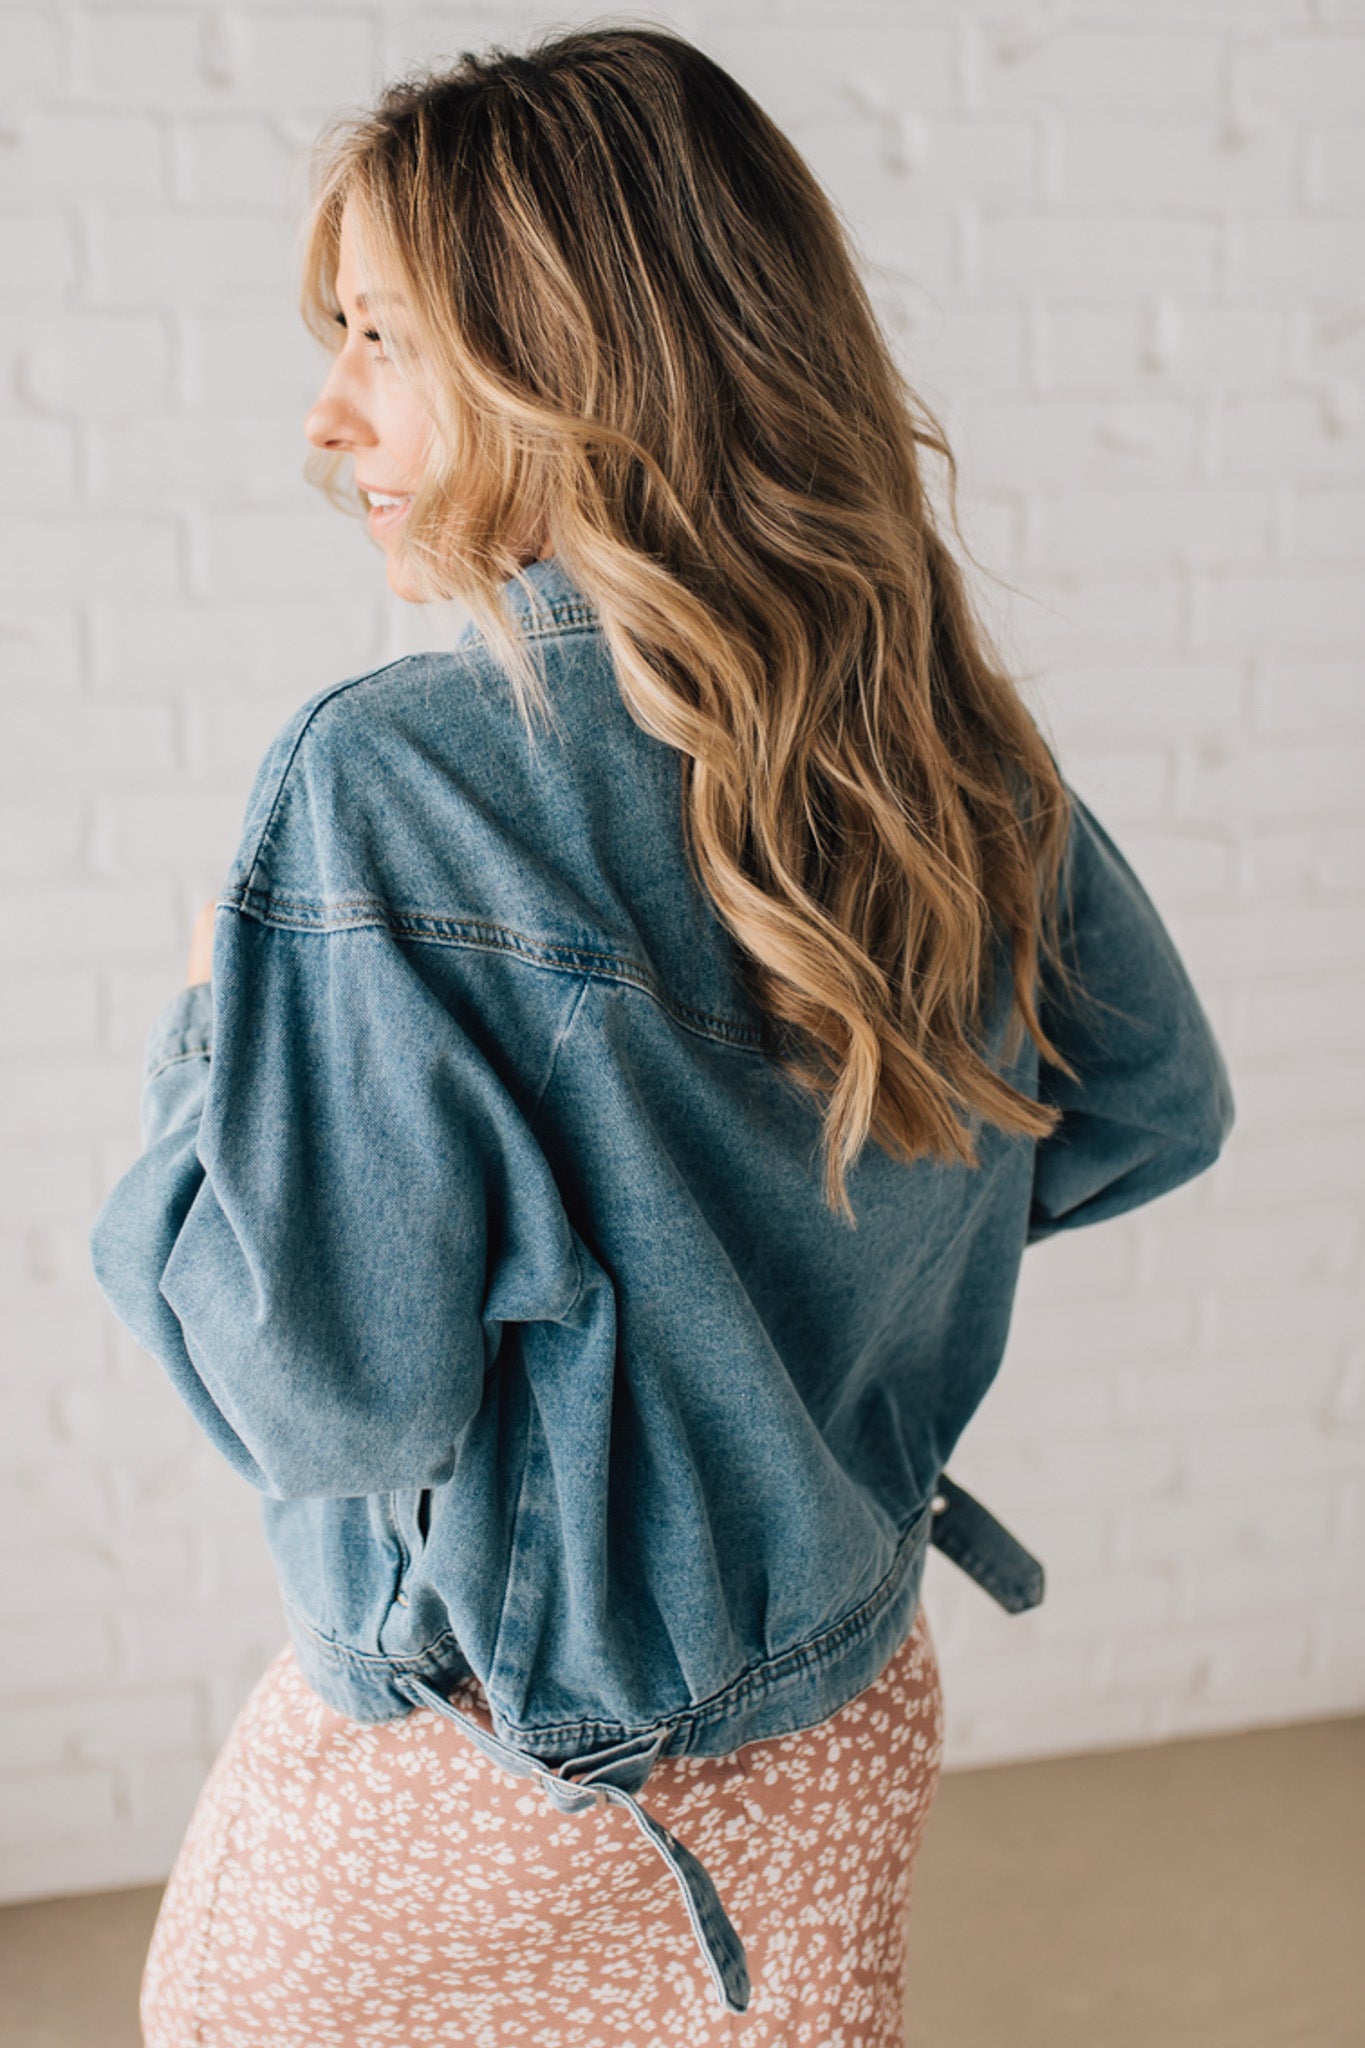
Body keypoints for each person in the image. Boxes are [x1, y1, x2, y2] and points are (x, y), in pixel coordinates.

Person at [87, 24, 1236, 2047]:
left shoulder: (388, 787)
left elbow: (327, 1401)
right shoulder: (931, 721)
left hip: (492, 1776)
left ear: (569, 361)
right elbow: (1147, 1102)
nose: (327, 406)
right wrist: (807, 1272)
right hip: (843, 1720)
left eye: (382, 334)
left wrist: (209, 1041)